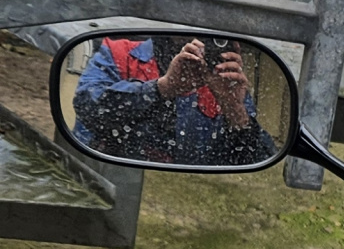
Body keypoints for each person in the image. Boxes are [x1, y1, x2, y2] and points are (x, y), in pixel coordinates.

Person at [71, 35, 273, 165]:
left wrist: (235, 110)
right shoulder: (119, 53)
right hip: (112, 174)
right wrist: (162, 88)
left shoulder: (224, 77)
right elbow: (86, 106)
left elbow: (260, 160)